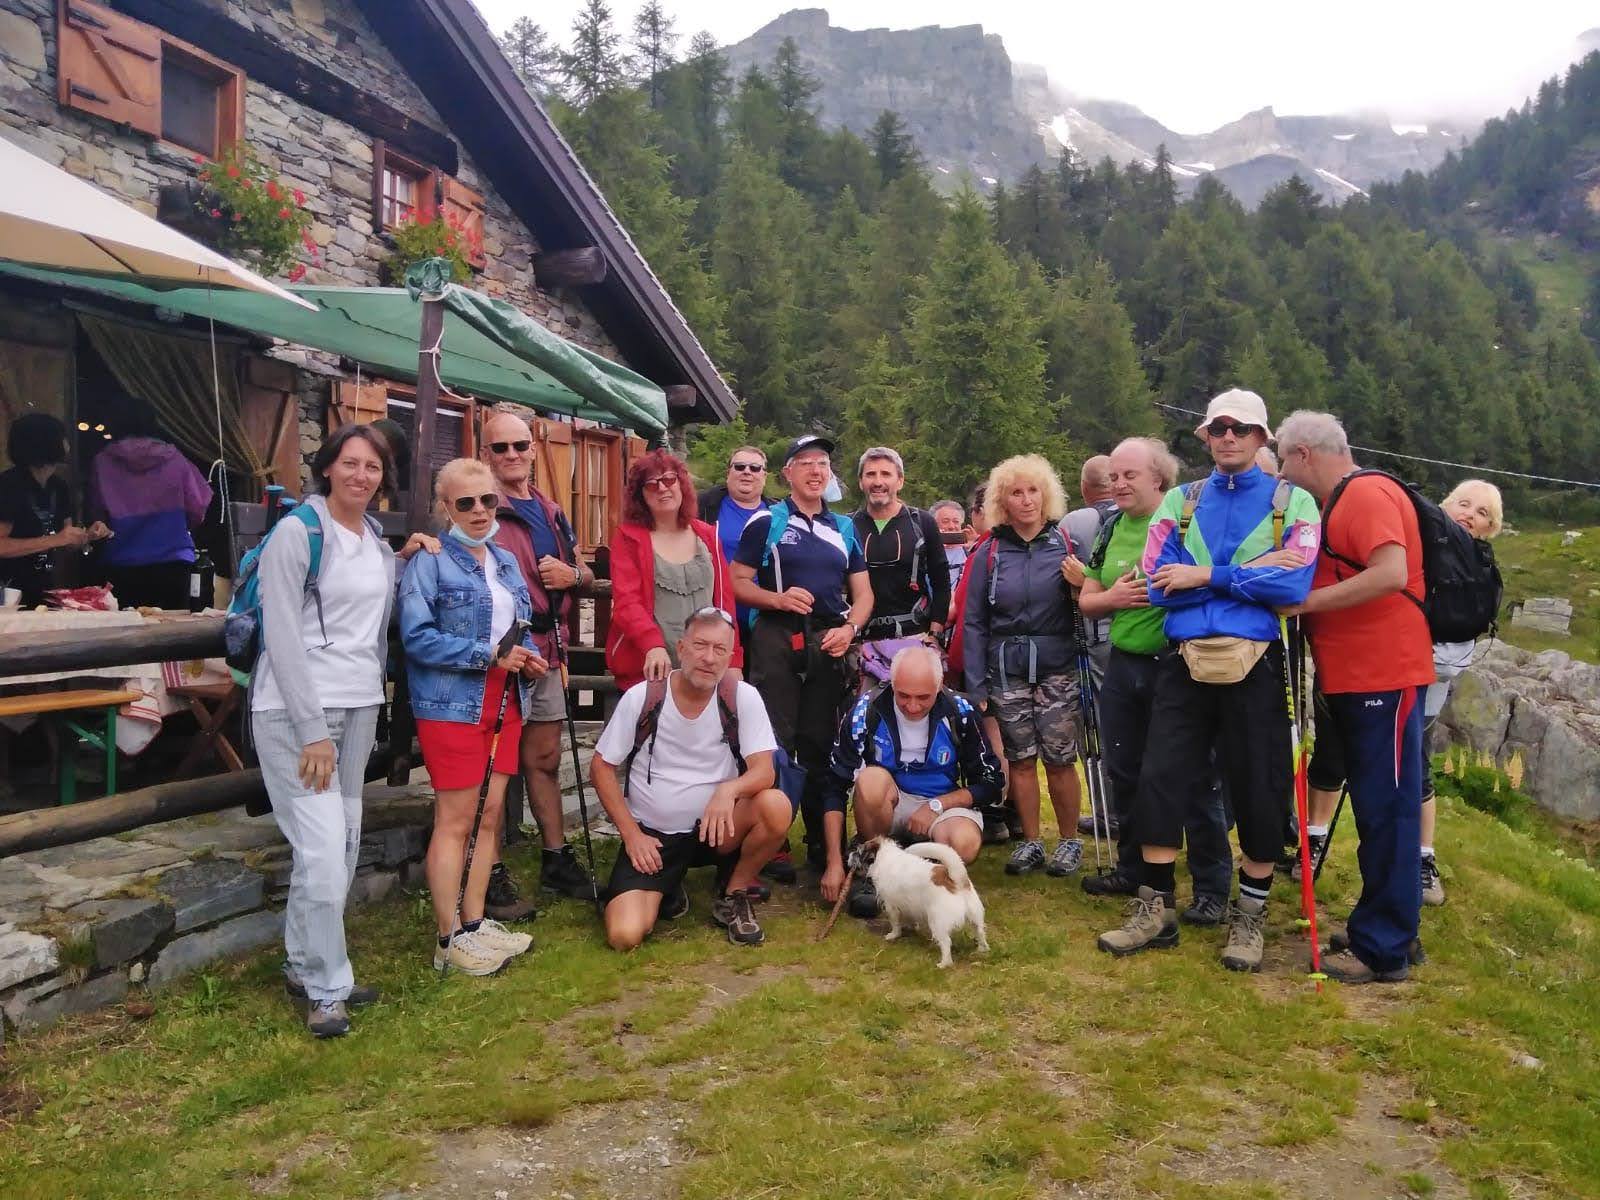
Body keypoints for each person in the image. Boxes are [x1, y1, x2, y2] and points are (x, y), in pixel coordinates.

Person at [1098, 390, 1319, 971]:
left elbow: (1294, 586)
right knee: (1160, 779)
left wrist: (1204, 575)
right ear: (1206, 436)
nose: (1228, 437)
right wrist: (1246, 576)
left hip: (1255, 663)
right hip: (1184, 658)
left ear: (1261, 438)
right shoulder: (1181, 500)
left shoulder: (1293, 502)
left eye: (1241, 429)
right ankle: (1156, 909)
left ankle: (1249, 918)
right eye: (1218, 428)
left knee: (1259, 789)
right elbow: (1152, 580)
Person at [251, 424, 438, 1038]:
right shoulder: (296, 533)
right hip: (298, 716)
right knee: (325, 848)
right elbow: (280, 634)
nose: (362, 476)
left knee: (342, 843)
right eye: (350, 464)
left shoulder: (373, 540)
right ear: (327, 467)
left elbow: (370, 608)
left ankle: (304, 964)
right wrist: (311, 730)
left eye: (374, 468)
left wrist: (406, 556)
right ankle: (328, 988)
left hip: (358, 709)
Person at [1275, 411, 1433, 984]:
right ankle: (1391, 925)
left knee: (1387, 809)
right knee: (1376, 806)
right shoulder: (1343, 500)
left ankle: (1383, 946)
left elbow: (1390, 572)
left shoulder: (1364, 495)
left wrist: (1306, 605)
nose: (1281, 474)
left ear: (1303, 455)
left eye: (1282, 459)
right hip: (1361, 676)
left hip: (1383, 676)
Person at [1299, 478, 1504, 909]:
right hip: (1382, 663)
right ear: (1446, 505)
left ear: (1491, 528)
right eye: (1463, 503)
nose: (1470, 514)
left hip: (1420, 675)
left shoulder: (1478, 567)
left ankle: (1420, 858)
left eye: (1482, 512)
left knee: (1414, 768)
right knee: (1333, 754)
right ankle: (1313, 839)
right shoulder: (1425, 539)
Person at [1077, 438, 1234, 924]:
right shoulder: (1110, 528)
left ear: (1159, 481)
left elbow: (1209, 580)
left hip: (1178, 663)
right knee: (1123, 770)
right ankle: (1133, 869)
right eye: (1114, 477)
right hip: (1123, 662)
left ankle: (1210, 887)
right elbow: (1088, 597)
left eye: (1130, 476)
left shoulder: (1183, 524)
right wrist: (1115, 598)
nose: (1118, 484)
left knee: (1192, 777)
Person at [399, 457, 544, 976]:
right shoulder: (430, 562)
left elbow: (517, 628)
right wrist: (488, 655)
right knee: (455, 820)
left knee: (489, 818)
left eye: (487, 500)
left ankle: (476, 922)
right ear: (445, 508)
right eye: (466, 502)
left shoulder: (505, 561)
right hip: (452, 705)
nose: (480, 510)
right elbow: (416, 637)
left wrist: (527, 656)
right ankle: (448, 938)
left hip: (506, 703)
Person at [591, 607, 790, 948]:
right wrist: (631, 834)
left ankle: (734, 892)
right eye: (700, 645)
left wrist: (729, 790)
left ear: (730, 656)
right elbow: (601, 767)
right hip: (654, 837)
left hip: (717, 830)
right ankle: (668, 887)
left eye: (719, 650)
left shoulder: (742, 696)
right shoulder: (644, 696)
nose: (709, 658)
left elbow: (764, 770)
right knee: (624, 936)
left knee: (776, 805)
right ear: (680, 648)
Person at [732, 434, 872, 888]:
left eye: (823, 463)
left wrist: (850, 630)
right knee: (772, 740)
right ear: (787, 473)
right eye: (805, 462)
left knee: (819, 742)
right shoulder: (765, 522)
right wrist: (776, 598)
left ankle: (819, 838)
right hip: (776, 637)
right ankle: (771, 839)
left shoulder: (846, 528)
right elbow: (737, 582)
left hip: (828, 640)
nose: (816, 470)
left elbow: (863, 594)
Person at [479, 411, 597, 907]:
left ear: (532, 448)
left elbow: (584, 572)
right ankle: (489, 866)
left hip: (547, 651)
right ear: (486, 453)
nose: (511, 455)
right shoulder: (477, 505)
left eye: (519, 445)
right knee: (492, 763)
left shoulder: (550, 510)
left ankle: (555, 856)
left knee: (543, 758)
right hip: (502, 655)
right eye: (500, 447)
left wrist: (573, 575)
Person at [961, 454, 1086, 877]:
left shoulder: (1066, 545)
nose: (1027, 500)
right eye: (1016, 492)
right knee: (1019, 759)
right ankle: (1032, 841)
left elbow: (1089, 606)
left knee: (1060, 757)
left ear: (1046, 494)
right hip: (1006, 668)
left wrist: (1082, 584)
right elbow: (973, 621)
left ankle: (1069, 840)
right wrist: (976, 686)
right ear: (1003, 500)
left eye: (1033, 490)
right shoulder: (989, 551)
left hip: (1058, 666)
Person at [824, 644, 1004, 917]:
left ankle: (914, 875)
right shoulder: (865, 710)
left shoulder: (961, 711)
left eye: (923, 697)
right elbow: (834, 786)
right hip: (890, 799)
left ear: (940, 684)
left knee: (965, 844)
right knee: (870, 781)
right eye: (903, 696)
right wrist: (833, 862)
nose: (912, 706)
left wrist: (937, 805)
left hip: (941, 805)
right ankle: (872, 869)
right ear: (891, 683)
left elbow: (991, 782)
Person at [606, 449, 741, 690]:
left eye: (669, 479)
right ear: (640, 496)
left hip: (706, 668)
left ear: (682, 485)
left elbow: (725, 604)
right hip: (651, 668)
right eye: (651, 484)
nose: (662, 488)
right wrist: (652, 645)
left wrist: (734, 660)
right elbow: (627, 602)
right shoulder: (628, 538)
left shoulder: (709, 536)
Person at [88, 398, 213, 611]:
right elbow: (199, 505)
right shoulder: (175, 459)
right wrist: (176, 528)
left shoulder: (102, 462)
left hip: (122, 563)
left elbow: (97, 512)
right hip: (173, 561)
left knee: (126, 636)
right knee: (174, 632)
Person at [852, 447, 952, 689]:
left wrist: (935, 634)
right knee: (867, 720)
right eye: (870, 475)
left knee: (920, 713)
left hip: (916, 637)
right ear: (860, 482)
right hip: (865, 644)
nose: (878, 482)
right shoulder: (848, 526)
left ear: (900, 481)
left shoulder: (922, 522)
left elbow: (941, 580)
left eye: (886, 474)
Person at [0, 413, 108, 605]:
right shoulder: (8, 486)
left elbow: (66, 542)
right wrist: (54, 539)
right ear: (46, 442)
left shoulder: (59, 487)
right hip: (7, 591)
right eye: (63, 436)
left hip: (43, 587)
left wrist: (88, 536)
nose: (68, 443)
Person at [697, 445, 771, 634]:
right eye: (739, 467)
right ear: (728, 472)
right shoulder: (702, 507)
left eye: (755, 468)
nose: (747, 472)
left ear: (765, 476)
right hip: (713, 614)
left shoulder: (778, 515)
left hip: (765, 619)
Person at [931, 499, 968, 581]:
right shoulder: (924, 552)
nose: (951, 526)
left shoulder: (970, 553)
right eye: (945, 521)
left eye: (956, 521)